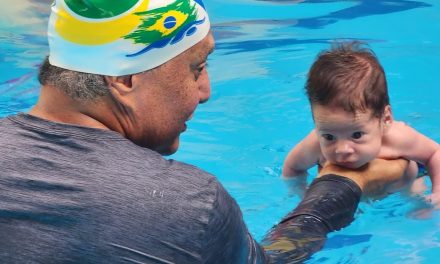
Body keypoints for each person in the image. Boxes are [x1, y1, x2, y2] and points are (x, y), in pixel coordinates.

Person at [0, 1, 409, 263]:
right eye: (196, 68)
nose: (206, 92)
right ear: (124, 79)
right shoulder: (187, 205)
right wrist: (342, 185)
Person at [282, 42, 440, 203]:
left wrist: (437, 194)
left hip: (401, 187)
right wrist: (303, 195)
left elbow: (435, 154)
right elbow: (292, 168)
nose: (342, 150)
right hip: (353, 197)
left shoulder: (398, 138)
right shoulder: (315, 144)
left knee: (418, 204)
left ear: (385, 120)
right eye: (329, 137)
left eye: (356, 135)